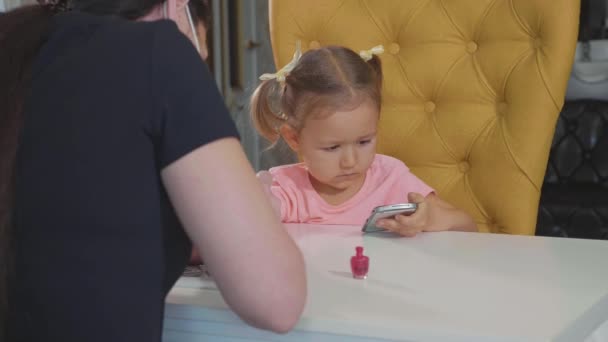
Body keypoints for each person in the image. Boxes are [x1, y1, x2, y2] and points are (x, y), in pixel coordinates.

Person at [0, 0, 306, 341]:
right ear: (177, 7)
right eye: (199, 51)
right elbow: (276, 300)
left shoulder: (16, 41)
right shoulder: (158, 49)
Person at [251, 43, 477, 237]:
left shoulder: (391, 180)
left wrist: (428, 220)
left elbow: (467, 227)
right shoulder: (290, 190)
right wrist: (258, 198)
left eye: (364, 142)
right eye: (332, 147)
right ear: (294, 138)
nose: (350, 161)